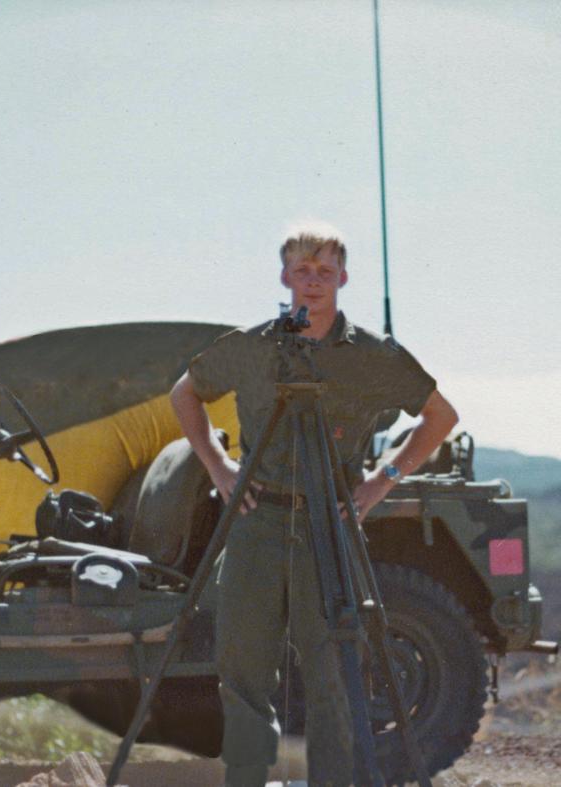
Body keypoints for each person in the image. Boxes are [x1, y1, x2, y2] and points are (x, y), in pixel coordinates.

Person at [170, 222, 459, 787]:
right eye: (302, 269)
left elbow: (440, 417)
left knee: (332, 672)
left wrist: (381, 480)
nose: (314, 281)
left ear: (343, 278)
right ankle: (248, 779)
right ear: (284, 275)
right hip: (259, 519)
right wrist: (217, 464)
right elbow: (186, 392)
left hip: (330, 522)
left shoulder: (372, 354)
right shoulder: (252, 345)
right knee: (243, 668)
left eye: (325, 270)